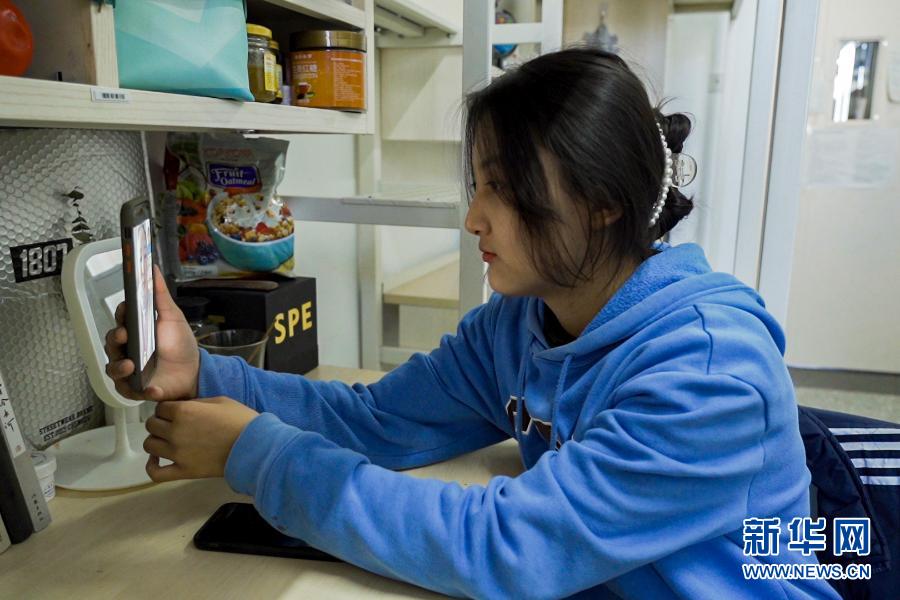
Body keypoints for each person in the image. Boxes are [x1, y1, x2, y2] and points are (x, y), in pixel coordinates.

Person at [104, 48, 839, 599]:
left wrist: (259, 454)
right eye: (478, 184)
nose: (473, 218)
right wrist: (205, 373)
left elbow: (506, 547)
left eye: (505, 190)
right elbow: (379, 419)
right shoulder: (520, 324)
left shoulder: (709, 372)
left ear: (603, 203)